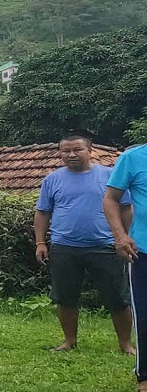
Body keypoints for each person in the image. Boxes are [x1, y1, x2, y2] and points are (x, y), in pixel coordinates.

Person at [34, 133, 134, 353]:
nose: (71, 154)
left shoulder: (110, 176)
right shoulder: (52, 179)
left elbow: (126, 208)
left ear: (91, 151)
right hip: (65, 247)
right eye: (65, 151)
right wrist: (40, 242)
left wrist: (127, 236)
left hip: (106, 245)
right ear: (60, 153)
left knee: (118, 298)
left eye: (77, 149)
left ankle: (125, 344)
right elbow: (42, 212)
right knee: (65, 297)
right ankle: (69, 341)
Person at [104, 142, 147, 392]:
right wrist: (120, 236)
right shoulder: (133, 157)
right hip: (143, 250)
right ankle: (144, 376)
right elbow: (110, 199)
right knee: (144, 314)